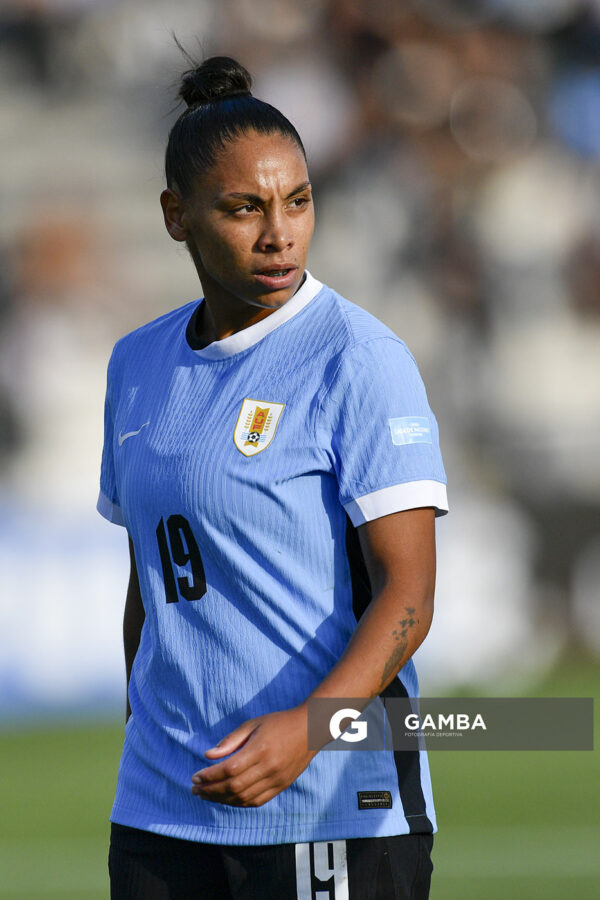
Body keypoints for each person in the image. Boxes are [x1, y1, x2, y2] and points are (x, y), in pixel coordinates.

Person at [98, 54, 448, 900]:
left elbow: (408, 594)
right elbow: (151, 578)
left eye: (298, 201)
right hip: (162, 806)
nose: (279, 233)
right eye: (244, 208)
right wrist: (151, 729)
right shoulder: (136, 363)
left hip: (331, 801)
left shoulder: (358, 358)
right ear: (176, 216)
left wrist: (308, 731)